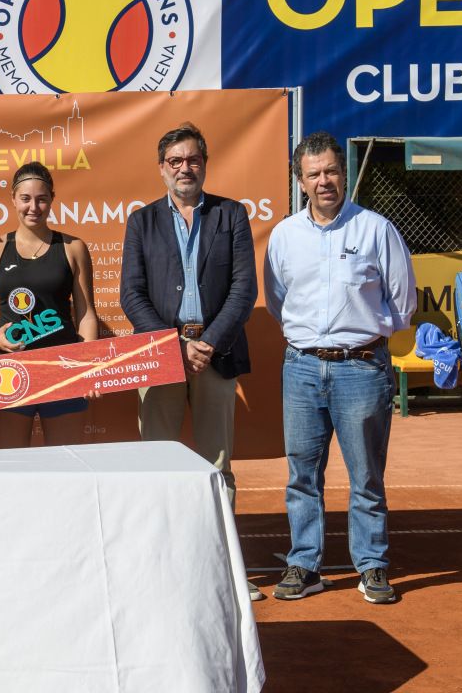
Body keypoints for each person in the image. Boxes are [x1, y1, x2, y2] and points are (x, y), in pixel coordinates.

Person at [265, 131, 416, 605]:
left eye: (331, 170)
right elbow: (277, 301)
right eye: (314, 174)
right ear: (301, 180)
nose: (324, 180)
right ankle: (305, 564)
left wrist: (362, 338)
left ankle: (371, 565)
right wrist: (314, 341)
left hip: (362, 369)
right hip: (302, 368)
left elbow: (403, 301)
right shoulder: (285, 235)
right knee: (301, 475)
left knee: (366, 475)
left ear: (343, 174)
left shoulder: (375, 228)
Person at [119, 122, 261, 601]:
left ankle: (223, 570)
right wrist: (173, 346)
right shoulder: (141, 222)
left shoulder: (232, 216)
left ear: (205, 163)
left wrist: (209, 343)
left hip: (216, 358)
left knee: (217, 467)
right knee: (157, 463)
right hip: (160, 359)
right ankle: (160, 567)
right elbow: (131, 295)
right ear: (162, 169)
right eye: (175, 161)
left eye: (193, 159)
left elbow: (245, 290)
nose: (185, 167)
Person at [0, 162, 100, 447]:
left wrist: (86, 366)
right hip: (8, 370)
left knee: (67, 464)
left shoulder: (73, 248)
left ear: (52, 199)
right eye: (25, 199)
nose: (33, 207)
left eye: (42, 199)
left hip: (62, 368)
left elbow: (86, 314)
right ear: (13, 199)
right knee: (12, 466)